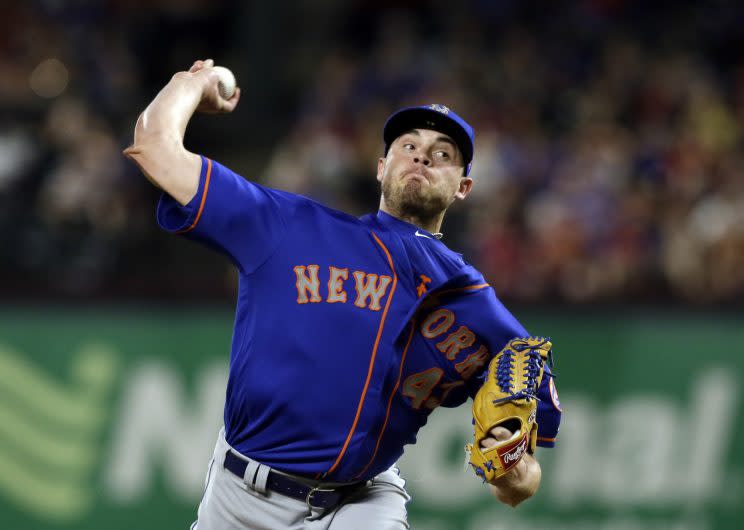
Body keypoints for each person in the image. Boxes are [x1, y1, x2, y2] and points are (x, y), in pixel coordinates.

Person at [124, 58, 561, 530]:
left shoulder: (479, 311)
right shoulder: (291, 228)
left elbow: (520, 487)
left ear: (464, 187)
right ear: (380, 167)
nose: (421, 156)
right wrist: (189, 83)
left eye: (442, 154)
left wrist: (511, 466)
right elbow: (155, 148)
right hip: (238, 497)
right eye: (408, 145)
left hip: (361, 503)